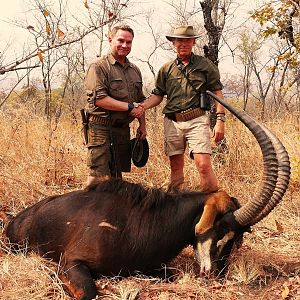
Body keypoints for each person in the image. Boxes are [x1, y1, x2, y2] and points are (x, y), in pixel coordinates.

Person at [142, 25, 226, 192]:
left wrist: (220, 121)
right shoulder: (166, 69)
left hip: (197, 120)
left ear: (194, 42)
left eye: (187, 40)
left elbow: (218, 93)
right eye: (179, 40)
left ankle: (213, 206)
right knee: (175, 167)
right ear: (173, 43)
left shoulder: (205, 65)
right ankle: (176, 206)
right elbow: (158, 95)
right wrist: (141, 107)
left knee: (203, 165)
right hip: (173, 122)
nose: (183, 44)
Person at [84, 24, 146, 186]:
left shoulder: (135, 70)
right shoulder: (98, 67)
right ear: (110, 40)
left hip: (122, 130)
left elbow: (140, 102)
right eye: (121, 40)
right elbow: (99, 99)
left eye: (129, 42)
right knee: (97, 177)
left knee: (117, 178)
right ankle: (85, 209)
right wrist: (130, 107)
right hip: (100, 128)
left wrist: (142, 126)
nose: (125, 45)